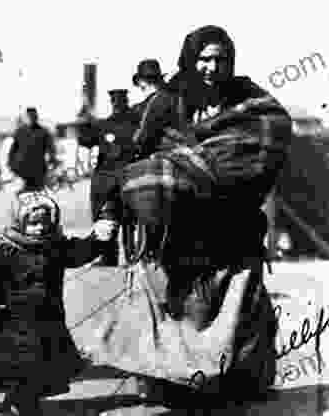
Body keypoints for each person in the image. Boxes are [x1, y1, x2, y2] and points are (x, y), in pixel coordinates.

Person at [92, 25, 291, 408]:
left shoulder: (249, 101)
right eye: (205, 58)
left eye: (221, 59)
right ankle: (175, 383)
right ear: (190, 58)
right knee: (183, 311)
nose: (212, 67)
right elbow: (133, 162)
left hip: (233, 227)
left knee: (239, 308)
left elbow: (270, 137)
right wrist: (111, 213)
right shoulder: (167, 102)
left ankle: (237, 383)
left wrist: (211, 172)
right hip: (178, 231)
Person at [0, 191, 112, 414]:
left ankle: (19, 399)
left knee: (41, 366)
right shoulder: (6, 249)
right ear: (19, 222)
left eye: (44, 223)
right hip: (12, 320)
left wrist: (98, 239)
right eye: (33, 223)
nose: (39, 228)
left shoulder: (55, 246)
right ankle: (22, 402)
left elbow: (79, 253)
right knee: (21, 365)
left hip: (48, 318)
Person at [78, 89, 140, 266]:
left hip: (108, 178)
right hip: (125, 176)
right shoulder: (135, 124)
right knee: (127, 219)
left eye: (118, 102)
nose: (117, 106)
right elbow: (86, 140)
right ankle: (129, 256)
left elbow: (85, 140)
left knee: (109, 217)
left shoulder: (105, 124)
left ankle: (111, 257)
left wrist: (85, 121)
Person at [7, 107, 58, 192]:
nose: (31, 118)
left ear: (36, 117)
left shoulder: (44, 132)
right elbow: (13, 150)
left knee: (38, 195)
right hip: (22, 171)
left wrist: (53, 161)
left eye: (33, 116)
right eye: (29, 116)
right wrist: (11, 166)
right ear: (26, 117)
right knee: (25, 196)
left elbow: (51, 149)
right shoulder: (20, 132)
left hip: (38, 170)